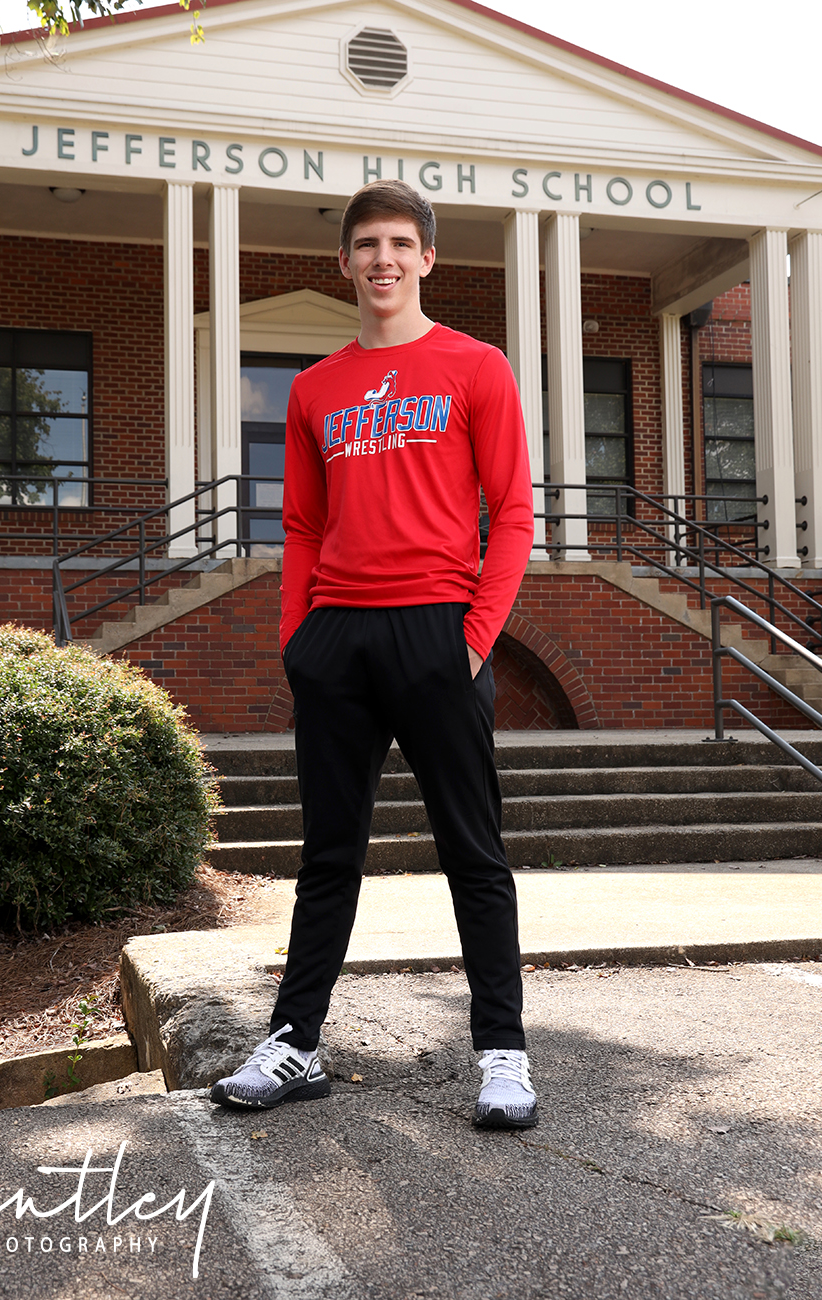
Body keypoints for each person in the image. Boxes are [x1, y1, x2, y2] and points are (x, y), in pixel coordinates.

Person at [210, 179, 537, 1128]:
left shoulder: (475, 368)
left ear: (428, 258)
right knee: (328, 856)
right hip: (337, 639)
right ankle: (296, 1043)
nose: (384, 260)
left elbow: (512, 514)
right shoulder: (316, 388)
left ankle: (503, 1053)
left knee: (474, 854)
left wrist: (474, 640)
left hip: (439, 628)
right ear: (345, 262)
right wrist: (296, 639)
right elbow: (302, 526)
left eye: (401, 243)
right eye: (367, 246)